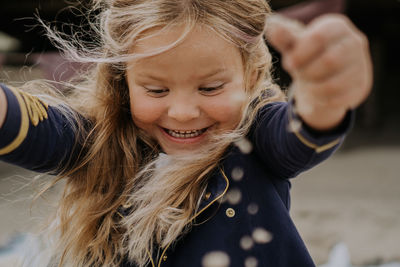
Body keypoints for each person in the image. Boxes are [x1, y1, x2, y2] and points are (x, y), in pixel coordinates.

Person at [0, 0, 372, 266]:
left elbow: (298, 136)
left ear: (252, 75)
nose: (181, 112)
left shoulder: (256, 138)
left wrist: (323, 96)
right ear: (122, 82)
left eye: (210, 88)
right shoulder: (100, 140)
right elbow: (33, 125)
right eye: (156, 90)